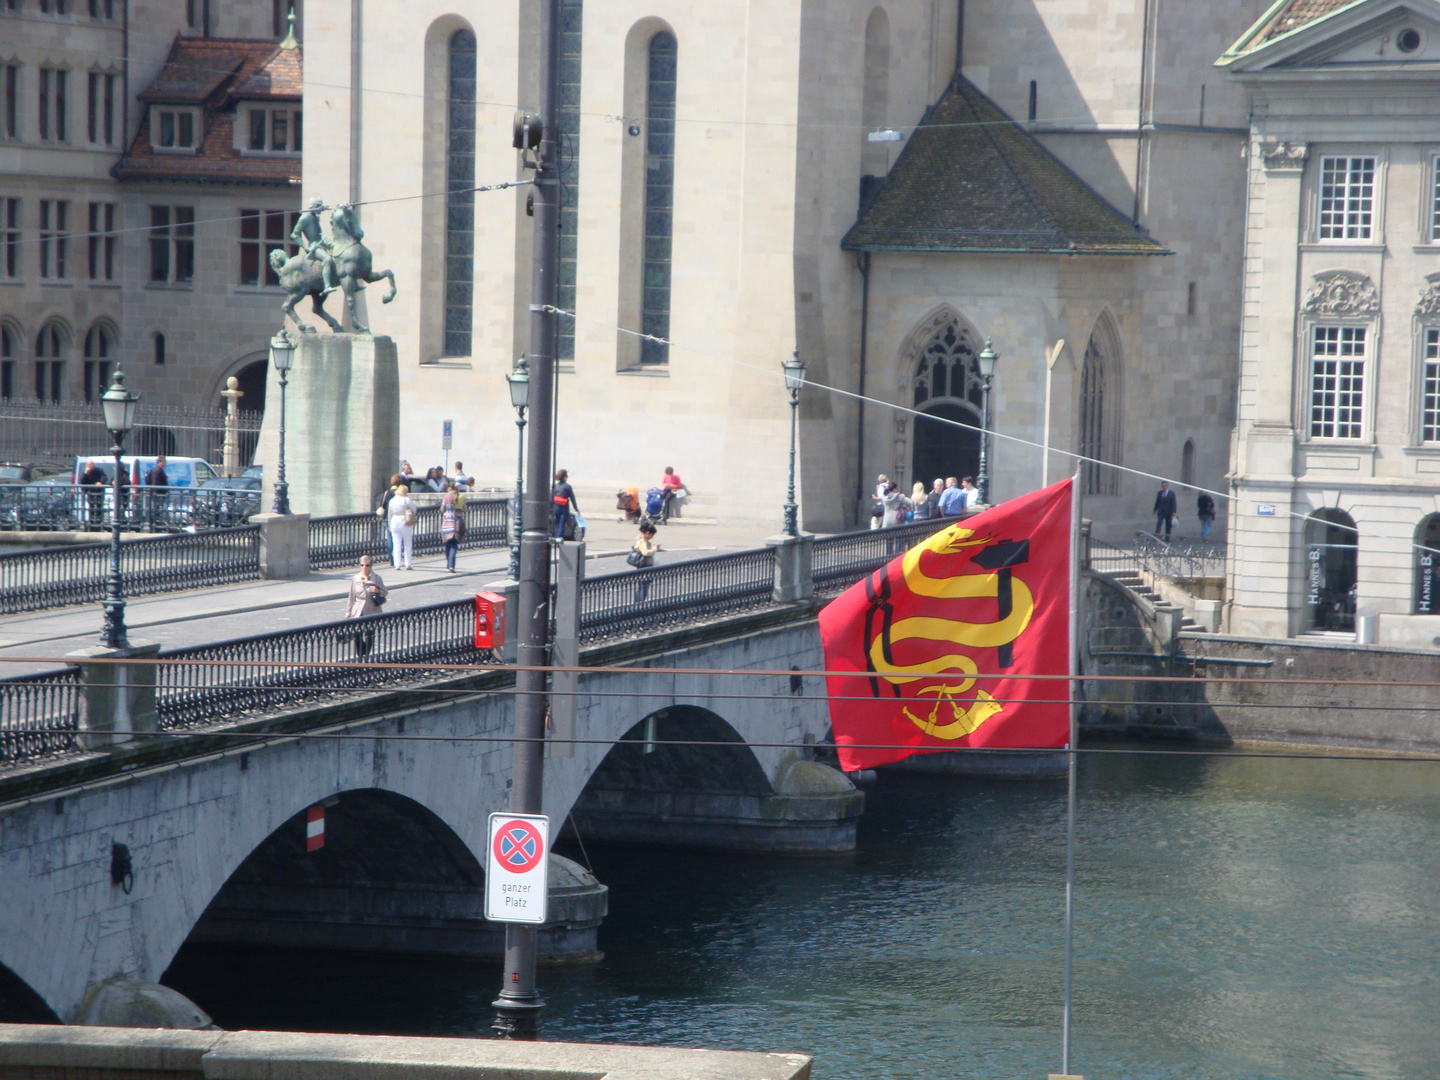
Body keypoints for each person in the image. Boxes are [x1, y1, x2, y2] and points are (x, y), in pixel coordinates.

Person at [290, 196, 340, 297]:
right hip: (314, 245)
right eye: (318, 206)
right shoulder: (304, 218)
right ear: (312, 207)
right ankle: (327, 286)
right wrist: (305, 247)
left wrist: (326, 242)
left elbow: (319, 233)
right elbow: (295, 234)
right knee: (327, 259)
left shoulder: (316, 218)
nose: (320, 209)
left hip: (321, 242)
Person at [345, 555, 388, 656]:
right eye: (362, 565)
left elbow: (385, 592)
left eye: (367, 565)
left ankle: (366, 655)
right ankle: (360, 655)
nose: (364, 567)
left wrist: (377, 590)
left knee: (369, 635)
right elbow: (351, 596)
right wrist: (348, 612)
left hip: (372, 610)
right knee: (357, 634)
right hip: (358, 610)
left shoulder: (377, 578)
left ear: (371, 566)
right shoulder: (356, 578)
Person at [630, 521, 660, 601]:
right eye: (652, 535)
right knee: (643, 587)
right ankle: (639, 603)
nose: (652, 537)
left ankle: (639, 602)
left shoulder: (641, 540)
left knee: (642, 586)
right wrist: (654, 549)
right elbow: (645, 552)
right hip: (644, 566)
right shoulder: (642, 541)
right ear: (647, 533)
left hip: (643, 565)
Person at [388, 480, 414, 569]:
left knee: (396, 544)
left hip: (394, 522)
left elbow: (389, 514)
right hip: (405, 522)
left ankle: (397, 564)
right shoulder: (406, 499)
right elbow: (414, 509)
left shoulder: (392, 500)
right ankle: (408, 564)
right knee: (407, 543)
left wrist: (389, 524)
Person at [440, 481, 465, 572]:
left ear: (448, 489)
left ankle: (448, 564)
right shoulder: (461, 497)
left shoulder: (446, 497)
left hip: (447, 523)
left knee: (447, 544)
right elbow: (464, 509)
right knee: (454, 545)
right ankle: (452, 565)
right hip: (457, 523)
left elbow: (442, 509)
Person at [551, 468, 578, 539]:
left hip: (556, 506)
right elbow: (572, 498)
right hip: (564, 507)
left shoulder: (555, 486)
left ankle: (556, 536)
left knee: (557, 523)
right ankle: (559, 538)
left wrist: (550, 507)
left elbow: (551, 497)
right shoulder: (568, 487)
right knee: (562, 523)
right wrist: (576, 509)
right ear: (564, 477)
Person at [144, 456, 169, 527]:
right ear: (160, 462)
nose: (166, 463)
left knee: (157, 508)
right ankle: (155, 523)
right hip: (158, 493)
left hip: (157, 492)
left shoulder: (157, 469)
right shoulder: (158, 470)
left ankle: (155, 522)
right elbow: (156, 482)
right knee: (157, 509)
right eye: (164, 461)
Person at [80, 459, 106, 527]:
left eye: (92, 464)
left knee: (99, 507)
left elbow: (104, 477)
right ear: (87, 466)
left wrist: (100, 482)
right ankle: (91, 522)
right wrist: (85, 474)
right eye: (90, 464)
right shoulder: (86, 472)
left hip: (99, 492)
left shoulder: (99, 470)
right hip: (90, 492)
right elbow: (82, 482)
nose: (91, 465)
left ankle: (99, 522)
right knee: (91, 507)